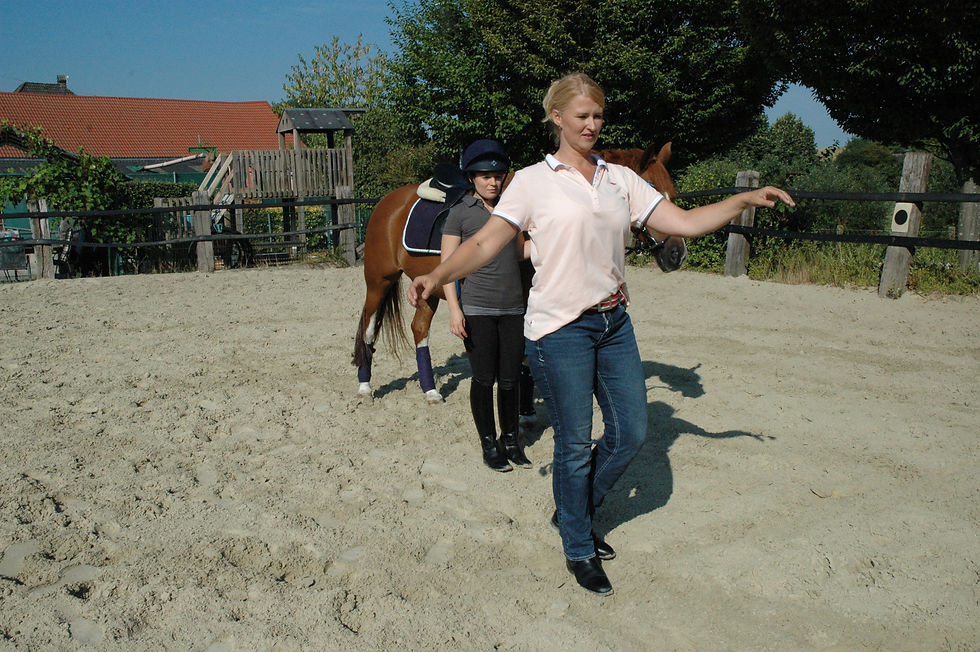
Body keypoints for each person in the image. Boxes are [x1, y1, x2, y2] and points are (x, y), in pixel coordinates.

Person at [409, 73, 795, 596]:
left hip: (614, 322)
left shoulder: (619, 179)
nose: (592, 125)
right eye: (582, 116)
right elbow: (484, 246)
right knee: (573, 443)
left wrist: (743, 199)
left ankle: (574, 511)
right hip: (558, 328)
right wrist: (437, 276)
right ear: (557, 118)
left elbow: (681, 222)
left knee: (631, 433)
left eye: (598, 116)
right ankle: (578, 546)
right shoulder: (529, 181)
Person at [441, 139, 532, 473]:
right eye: (484, 175)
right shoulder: (459, 214)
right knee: (483, 378)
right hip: (477, 309)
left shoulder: (513, 211)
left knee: (511, 379)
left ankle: (511, 441)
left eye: (496, 175)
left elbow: (520, 252)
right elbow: (448, 264)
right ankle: (488, 444)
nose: (492, 181)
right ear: (471, 178)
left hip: (513, 309)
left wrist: (547, 242)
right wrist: (454, 308)